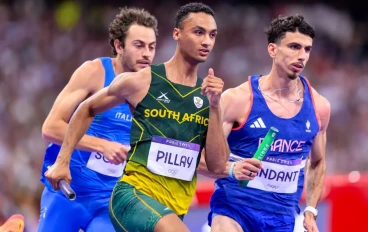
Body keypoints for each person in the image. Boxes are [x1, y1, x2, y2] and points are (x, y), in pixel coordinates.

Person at [48, 2, 229, 232]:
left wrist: (215, 106)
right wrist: (62, 161)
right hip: (131, 198)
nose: (206, 41)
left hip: (173, 208)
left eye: (212, 35)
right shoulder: (142, 81)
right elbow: (87, 109)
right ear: (177, 34)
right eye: (198, 32)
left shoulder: (209, 96)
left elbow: (215, 165)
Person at [197, 14, 331, 232]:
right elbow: (198, 158)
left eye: (307, 49)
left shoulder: (319, 107)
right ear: (272, 50)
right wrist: (232, 169)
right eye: (294, 47)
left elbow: (317, 162)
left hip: (282, 217)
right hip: (234, 208)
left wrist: (311, 210)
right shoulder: (237, 100)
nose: (302, 56)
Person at [39, 7, 158, 232]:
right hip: (68, 193)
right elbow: (51, 128)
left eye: (151, 47)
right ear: (118, 46)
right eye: (139, 45)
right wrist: (102, 145)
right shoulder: (95, 72)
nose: (147, 54)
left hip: (110, 201)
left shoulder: (155, 90)